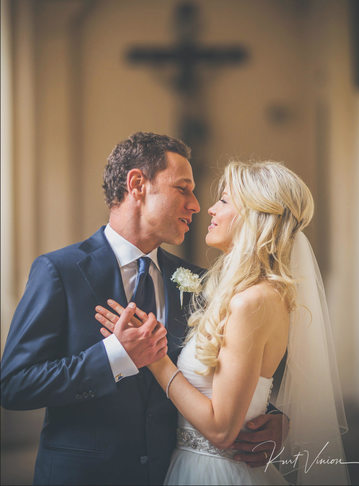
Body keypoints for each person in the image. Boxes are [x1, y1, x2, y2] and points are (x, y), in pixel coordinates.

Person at [1, 133, 285, 486]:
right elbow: (14, 384)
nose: (196, 205)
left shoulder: (200, 281)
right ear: (137, 185)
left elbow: (248, 365)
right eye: (183, 188)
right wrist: (114, 357)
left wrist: (269, 418)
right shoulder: (60, 271)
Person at [96, 160, 350, 485]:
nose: (210, 209)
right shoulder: (239, 292)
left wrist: (156, 360)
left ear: (257, 215)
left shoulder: (251, 302)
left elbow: (221, 428)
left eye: (225, 200)